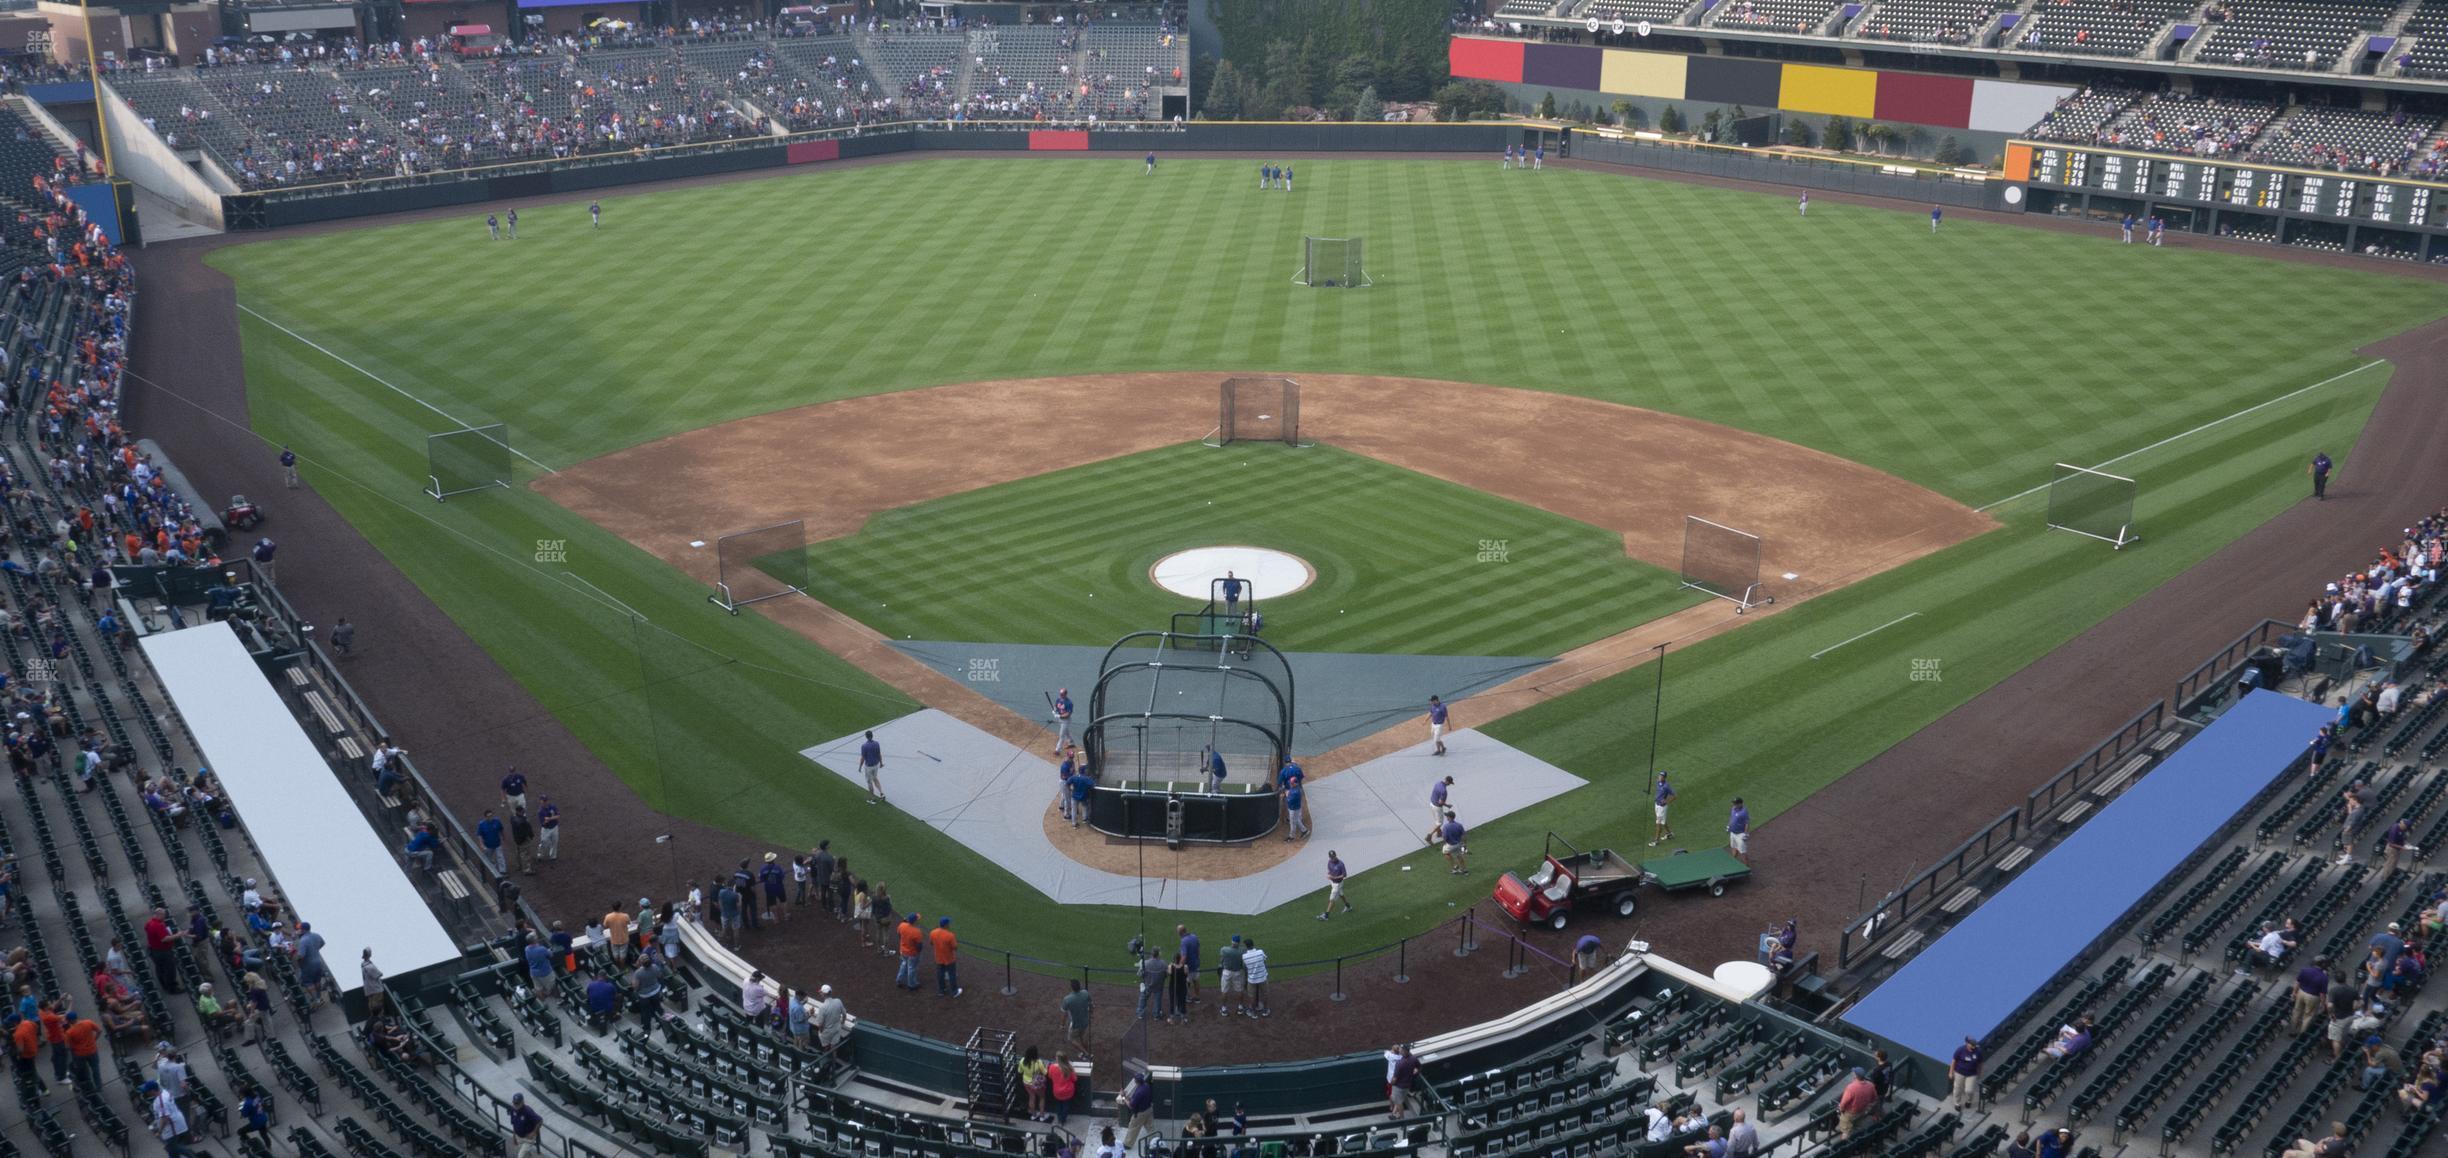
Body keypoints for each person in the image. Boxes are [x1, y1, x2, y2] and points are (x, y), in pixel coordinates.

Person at [146, 1079, 194, 1158]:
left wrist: (159, 1131)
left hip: (172, 1126)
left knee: (172, 1147)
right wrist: (156, 1122)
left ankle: (192, 1155)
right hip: (177, 1121)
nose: (146, 1093)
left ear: (152, 1091)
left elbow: (165, 1118)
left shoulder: (161, 1101)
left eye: (147, 1091)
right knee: (172, 1151)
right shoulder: (164, 1092)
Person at [1118, 1071, 1157, 1150]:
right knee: (1151, 1128)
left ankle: (1127, 1144)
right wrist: (1128, 1097)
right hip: (1148, 1110)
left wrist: (1123, 1097)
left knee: (1133, 1128)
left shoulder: (1139, 1092)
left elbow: (1131, 1106)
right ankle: (1155, 1142)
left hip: (1140, 1114)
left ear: (1136, 1081)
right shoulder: (1146, 1086)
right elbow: (1136, 1099)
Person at [1836, 1068, 1876, 1138]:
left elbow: (1843, 1102)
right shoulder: (1871, 1085)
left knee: (1846, 1132)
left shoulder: (1851, 1087)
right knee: (1857, 1127)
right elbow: (1874, 1099)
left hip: (1850, 1113)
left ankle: (1845, 1147)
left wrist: (1841, 1109)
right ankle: (1856, 1142)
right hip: (1862, 1111)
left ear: (1855, 1076)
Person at [2279, 1120, 2350, 1157]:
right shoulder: (2344, 1142)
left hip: (2315, 1156)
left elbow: (2316, 1149)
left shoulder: (2332, 1145)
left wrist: (2323, 1140)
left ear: (2335, 1132)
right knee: (2300, 1141)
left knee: (2287, 1153)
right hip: (2325, 1154)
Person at [1061, 978, 1093, 1057]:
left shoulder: (1067, 999)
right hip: (1085, 1021)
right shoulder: (1085, 993)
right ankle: (1087, 1052)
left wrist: (1062, 1025)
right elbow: (1091, 1005)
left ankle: (1086, 1053)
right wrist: (1091, 1014)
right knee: (1082, 1037)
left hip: (1075, 1024)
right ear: (1080, 986)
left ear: (1071, 987)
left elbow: (1064, 1014)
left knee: (1071, 1039)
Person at [931, 916, 962, 997]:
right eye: (948, 923)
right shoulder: (950, 935)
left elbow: (931, 943)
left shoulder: (933, 932)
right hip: (949, 958)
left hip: (938, 957)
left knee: (940, 973)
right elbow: (955, 947)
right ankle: (955, 992)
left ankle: (941, 990)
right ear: (946, 925)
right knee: (952, 974)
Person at [1386, 1044, 1419, 1117]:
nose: (1400, 1050)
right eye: (1399, 1049)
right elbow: (1418, 1067)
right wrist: (1415, 1072)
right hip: (1407, 1085)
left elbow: (1394, 1079)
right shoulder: (1413, 1058)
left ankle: (1402, 1119)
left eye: (1401, 1049)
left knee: (1397, 1101)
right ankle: (1393, 1114)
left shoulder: (1399, 1063)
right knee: (1397, 1098)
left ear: (1404, 1051)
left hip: (1398, 1085)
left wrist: (1392, 1083)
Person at [1219, 934, 1247, 1017]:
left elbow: (1221, 959)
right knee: (1240, 990)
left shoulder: (1224, 949)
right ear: (1239, 942)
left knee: (1224, 990)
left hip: (1226, 972)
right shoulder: (1242, 951)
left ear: (1232, 941)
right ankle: (1240, 1007)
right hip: (1238, 972)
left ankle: (1224, 1008)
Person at [1242, 937, 1271, 1017]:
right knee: (1265, 994)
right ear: (1253, 945)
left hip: (1252, 980)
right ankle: (1265, 1010)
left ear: (1246, 946)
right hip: (1263, 977)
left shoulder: (1244, 956)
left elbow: (1245, 968)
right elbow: (1264, 960)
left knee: (1252, 996)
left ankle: (1253, 1012)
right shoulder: (1260, 952)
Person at [509, 1092, 543, 1158]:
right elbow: (514, 1123)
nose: (516, 1105)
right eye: (514, 1103)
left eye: (517, 1103)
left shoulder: (528, 1111)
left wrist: (533, 1133)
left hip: (528, 1139)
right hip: (519, 1137)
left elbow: (540, 1120)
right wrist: (514, 1136)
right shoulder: (513, 1110)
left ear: (522, 1102)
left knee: (520, 1156)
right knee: (526, 1155)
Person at [896, 912, 925, 991]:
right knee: (912, 968)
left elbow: (899, 935)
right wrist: (918, 952)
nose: (918, 921)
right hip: (912, 953)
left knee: (903, 965)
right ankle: (912, 984)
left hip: (903, 950)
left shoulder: (902, 925)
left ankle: (899, 980)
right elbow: (919, 946)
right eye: (917, 919)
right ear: (915, 921)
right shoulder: (917, 932)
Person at [1320, 851, 1353, 919]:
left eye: (1334, 856)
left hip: (1338, 884)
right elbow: (1329, 870)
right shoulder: (1329, 862)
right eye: (1331, 857)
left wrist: (1335, 877)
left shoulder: (1341, 864)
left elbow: (1344, 875)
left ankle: (1326, 915)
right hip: (1332, 882)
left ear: (1336, 855)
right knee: (1341, 894)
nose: (1333, 858)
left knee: (1332, 899)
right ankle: (1348, 906)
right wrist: (1329, 874)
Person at [816, 984, 848, 1053]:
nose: (820, 993)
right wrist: (842, 1024)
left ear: (824, 994)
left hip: (827, 1033)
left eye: (821, 992)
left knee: (825, 1047)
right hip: (837, 1029)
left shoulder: (822, 1007)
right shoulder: (838, 1001)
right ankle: (833, 1062)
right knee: (834, 1050)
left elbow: (820, 1025)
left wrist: (821, 1032)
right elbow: (844, 1015)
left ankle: (826, 1054)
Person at [859, 730, 886, 804]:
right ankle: (881, 793)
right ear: (872, 735)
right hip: (876, 765)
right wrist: (881, 763)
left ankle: (872, 799)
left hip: (869, 767)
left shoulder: (864, 746)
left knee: (869, 782)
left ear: (866, 737)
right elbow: (879, 754)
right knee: (875, 778)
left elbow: (863, 758)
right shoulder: (877, 743)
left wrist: (860, 767)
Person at [1650, 772, 1676, 846]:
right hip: (1656, 805)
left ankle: (1656, 841)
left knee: (1658, 823)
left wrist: (1666, 801)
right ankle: (1669, 834)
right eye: (1659, 775)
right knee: (1663, 822)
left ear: (1664, 778)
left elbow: (1674, 796)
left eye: (1661, 776)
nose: (1659, 777)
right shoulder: (1658, 782)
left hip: (1662, 807)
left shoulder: (1666, 786)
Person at [1727, 797, 1750, 865]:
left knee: (1742, 852)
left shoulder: (1744, 812)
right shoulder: (1733, 809)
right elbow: (1731, 817)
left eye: (1736, 803)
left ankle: (1747, 868)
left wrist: (1745, 834)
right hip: (1733, 833)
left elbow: (1747, 823)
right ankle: (1733, 862)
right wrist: (1729, 825)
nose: (1734, 805)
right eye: (1734, 803)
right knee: (1734, 847)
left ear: (1740, 804)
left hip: (1740, 834)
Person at [537, 796, 561, 861]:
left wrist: (549, 819)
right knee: (544, 842)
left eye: (545, 800)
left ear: (547, 801)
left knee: (555, 842)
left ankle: (553, 856)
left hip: (554, 827)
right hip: (546, 829)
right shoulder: (540, 811)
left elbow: (558, 816)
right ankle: (540, 855)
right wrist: (546, 821)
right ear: (541, 802)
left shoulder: (553, 807)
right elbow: (543, 823)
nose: (544, 802)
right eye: (543, 801)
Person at [1052, 688, 1074, 753]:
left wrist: (1059, 716)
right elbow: (1055, 706)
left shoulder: (1069, 703)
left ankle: (1057, 750)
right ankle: (1071, 742)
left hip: (1066, 720)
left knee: (1061, 735)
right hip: (1060, 720)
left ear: (1065, 694)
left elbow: (1068, 714)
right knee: (1066, 731)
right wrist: (1054, 710)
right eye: (1060, 694)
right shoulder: (1058, 699)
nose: (1060, 695)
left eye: (1062, 694)